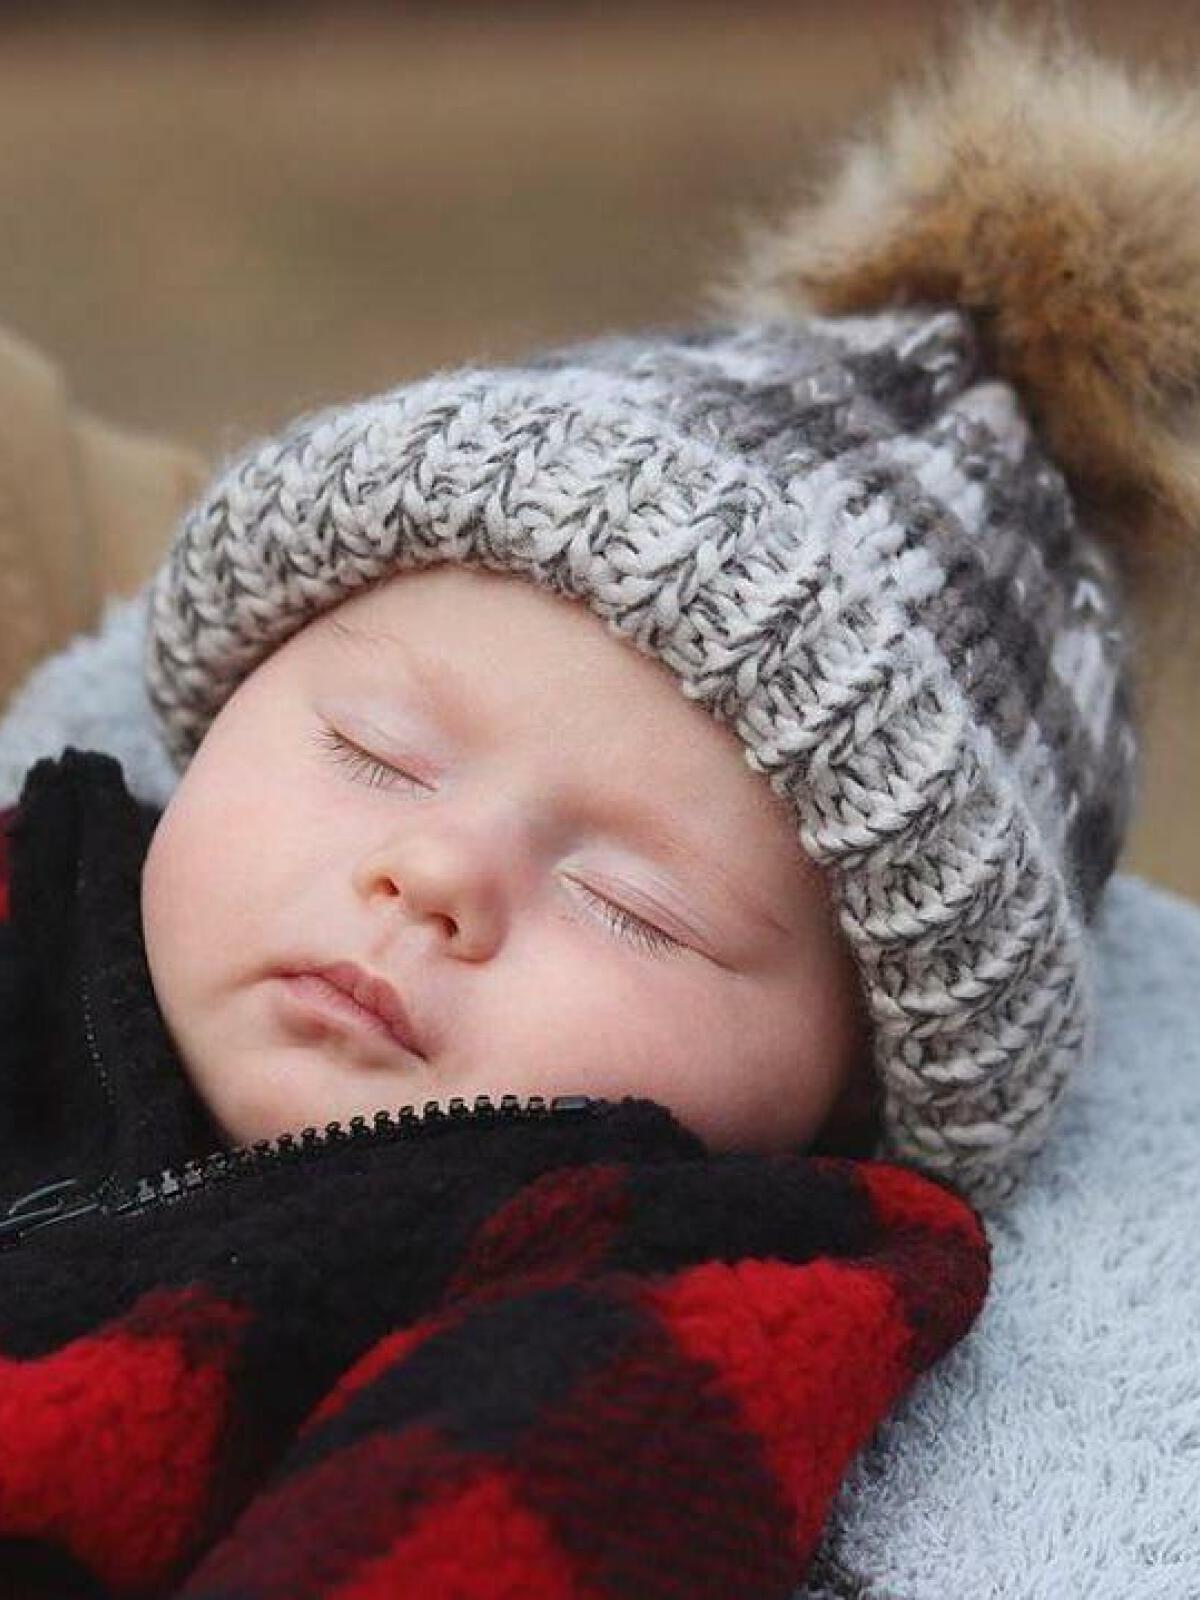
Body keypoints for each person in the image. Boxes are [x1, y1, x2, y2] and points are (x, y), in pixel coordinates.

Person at [0, 11, 1194, 1596]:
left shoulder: (658, 1286)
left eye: (641, 905)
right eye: (372, 750)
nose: (433, 872)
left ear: (847, 1100)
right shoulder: (46, 891)